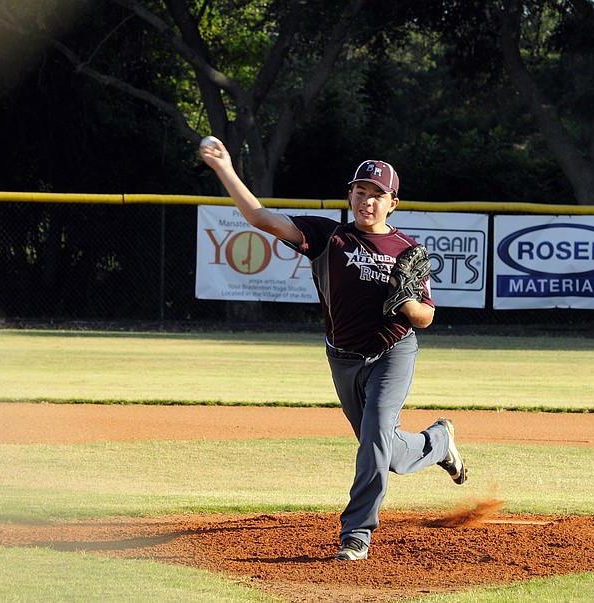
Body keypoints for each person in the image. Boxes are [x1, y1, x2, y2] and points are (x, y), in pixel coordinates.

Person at [200, 140, 467, 561]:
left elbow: (425, 317)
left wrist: (406, 299)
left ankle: (356, 534)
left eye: (377, 195)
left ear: (392, 203)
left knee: (376, 434)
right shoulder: (329, 237)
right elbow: (259, 217)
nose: (367, 201)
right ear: (350, 196)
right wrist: (225, 169)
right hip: (342, 357)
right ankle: (437, 443)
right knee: (383, 449)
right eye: (360, 192)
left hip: (393, 352)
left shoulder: (406, 251)